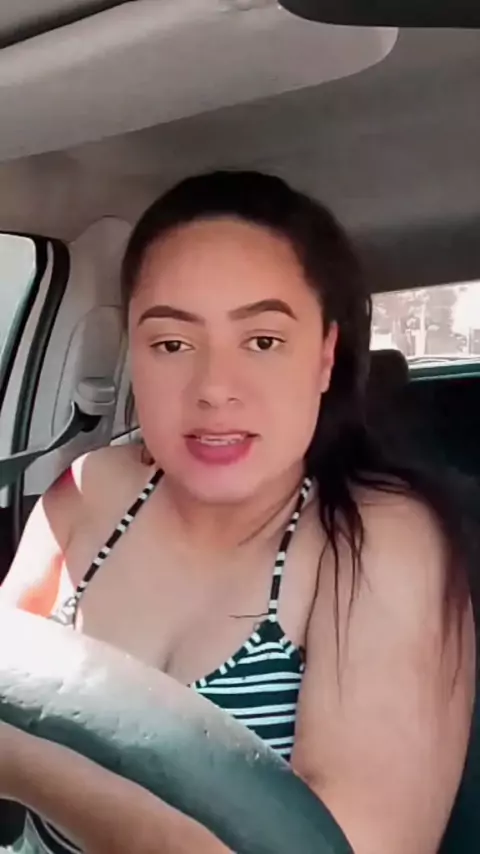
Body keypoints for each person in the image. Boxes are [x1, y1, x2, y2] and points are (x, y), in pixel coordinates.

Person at [0, 171, 476, 854]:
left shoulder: (377, 541)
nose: (215, 389)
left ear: (324, 358)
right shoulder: (87, 491)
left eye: (262, 341)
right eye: (172, 344)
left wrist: (28, 767)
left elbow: (352, 845)